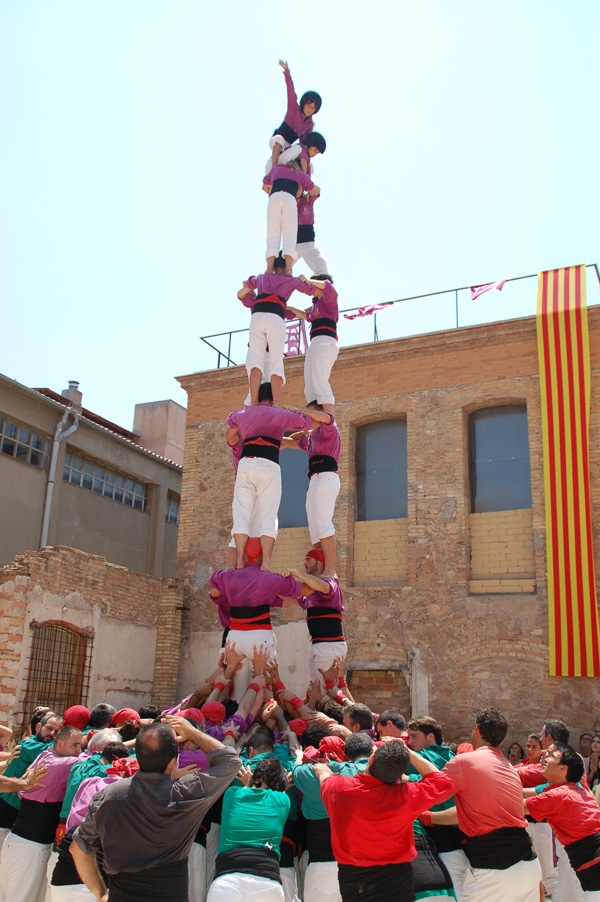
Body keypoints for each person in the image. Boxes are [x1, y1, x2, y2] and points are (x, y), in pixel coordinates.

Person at [71, 718, 241, 902]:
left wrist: (101, 893)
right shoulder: (186, 793)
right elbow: (230, 760)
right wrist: (192, 733)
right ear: (172, 763)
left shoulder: (108, 797)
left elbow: (78, 849)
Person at [315, 738, 454, 901]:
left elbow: (325, 778)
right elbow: (442, 782)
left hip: (355, 883)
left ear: (372, 759)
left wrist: (322, 772)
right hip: (398, 882)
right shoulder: (405, 795)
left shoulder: (338, 788)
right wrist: (407, 752)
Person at [442, 707, 542, 902]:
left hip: (495, 869)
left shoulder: (463, 762)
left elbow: (428, 793)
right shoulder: (510, 769)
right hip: (528, 865)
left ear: (476, 730)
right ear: (502, 740)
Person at [226, 382, 329, 566]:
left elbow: (231, 423)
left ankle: (240, 560)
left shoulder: (244, 413)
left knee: (241, 514)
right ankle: (265, 562)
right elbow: (308, 425)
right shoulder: (280, 413)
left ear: (257, 397)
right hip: (268, 463)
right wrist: (296, 412)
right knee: (269, 514)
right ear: (273, 398)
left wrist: (247, 417)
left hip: (245, 464)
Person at [0, 724, 84, 902]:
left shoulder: (46, 754)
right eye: (74, 746)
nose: (78, 751)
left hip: (18, 844)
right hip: (30, 848)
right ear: (59, 745)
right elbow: (90, 760)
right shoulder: (59, 763)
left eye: (81, 747)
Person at [292, 732, 373, 902]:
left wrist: (300, 755)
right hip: (358, 868)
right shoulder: (365, 773)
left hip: (322, 868)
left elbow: (297, 770)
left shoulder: (310, 775)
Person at [208, 563, 303, 700]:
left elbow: (214, 592)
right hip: (258, 634)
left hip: (234, 637)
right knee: (264, 682)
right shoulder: (260, 581)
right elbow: (298, 599)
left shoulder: (228, 579)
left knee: (239, 688)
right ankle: (257, 711)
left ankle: (238, 710)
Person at [207, 758, 291, 902]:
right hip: (268, 884)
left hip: (227, 882)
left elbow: (249, 791)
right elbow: (280, 792)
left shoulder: (231, 794)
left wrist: (249, 782)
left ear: (256, 776)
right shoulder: (283, 800)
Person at [525, 744, 600, 899]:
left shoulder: (558, 795)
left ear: (563, 769)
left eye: (552, 757)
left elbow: (517, 807)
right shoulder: (576, 790)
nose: (545, 758)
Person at [237, 258, 317, 404]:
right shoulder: (290, 280)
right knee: (276, 363)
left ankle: (254, 402)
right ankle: (275, 402)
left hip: (258, 316)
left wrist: (250, 286)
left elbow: (242, 290)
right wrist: (304, 281)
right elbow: (312, 290)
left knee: (255, 364)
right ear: (286, 268)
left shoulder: (262, 278)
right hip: (275, 316)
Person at [282, 403, 341, 574]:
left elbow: (325, 418)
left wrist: (299, 411)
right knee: (315, 530)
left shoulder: (329, 427)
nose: (307, 418)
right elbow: (286, 441)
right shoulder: (310, 439)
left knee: (323, 524)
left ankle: (330, 570)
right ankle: (320, 569)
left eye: (311, 414)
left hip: (326, 476)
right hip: (314, 481)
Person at [0, 710, 62, 849]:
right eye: (49, 729)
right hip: (5, 808)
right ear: (38, 727)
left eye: (57, 732)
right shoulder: (30, 745)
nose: (52, 734)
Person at [282, 549, 346, 684]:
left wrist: (298, 573)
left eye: (308, 559)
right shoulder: (310, 591)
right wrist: (274, 588)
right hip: (319, 645)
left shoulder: (330, 583)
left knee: (328, 691)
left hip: (328, 645)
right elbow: (296, 601)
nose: (305, 563)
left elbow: (323, 586)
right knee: (320, 689)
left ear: (320, 563)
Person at [287, 276, 339, 414]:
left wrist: (308, 281)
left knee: (319, 379)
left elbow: (327, 286)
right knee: (309, 386)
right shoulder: (317, 304)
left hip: (326, 341)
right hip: (315, 343)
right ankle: (316, 419)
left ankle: (329, 420)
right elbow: (307, 315)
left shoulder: (329, 299)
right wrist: (290, 308)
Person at [263, 162, 317, 273]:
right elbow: (312, 188)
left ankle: (269, 269)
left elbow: (265, 182)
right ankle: (288, 269)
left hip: (274, 197)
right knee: (290, 235)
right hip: (289, 198)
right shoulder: (299, 173)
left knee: (272, 234)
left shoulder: (276, 169)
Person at [269, 60, 321, 170]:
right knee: (279, 139)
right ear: (303, 103)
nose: (309, 110)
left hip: (287, 148)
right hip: (277, 142)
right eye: (308, 105)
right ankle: (274, 168)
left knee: (301, 153)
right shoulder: (294, 108)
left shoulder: (309, 125)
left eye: (313, 108)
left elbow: (305, 144)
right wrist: (287, 71)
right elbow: (290, 90)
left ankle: (300, 179)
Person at [295, 189, 328, 273]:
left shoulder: (308, 199)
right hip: (291, 244)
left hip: (308, 243)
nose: (297, 190)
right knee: (277, 265)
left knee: (321, 264)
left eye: (299, 188)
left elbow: (317, 190)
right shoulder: (287, 201)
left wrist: (306, 182)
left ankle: (321, 285)